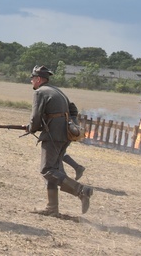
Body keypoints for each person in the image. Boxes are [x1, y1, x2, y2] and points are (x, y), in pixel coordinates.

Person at [27, 65, 93, 216]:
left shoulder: (40, 92)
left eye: (32, 79)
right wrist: (73, 126)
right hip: (64, 135)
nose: (31, 82)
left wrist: (31, 128)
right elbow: (73, 109)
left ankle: (81, 191)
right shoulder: (57, 91)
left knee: (47, 170)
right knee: (54, 171)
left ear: (38, 79)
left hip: (53, 136)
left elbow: (36, 117)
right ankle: (52, 208)